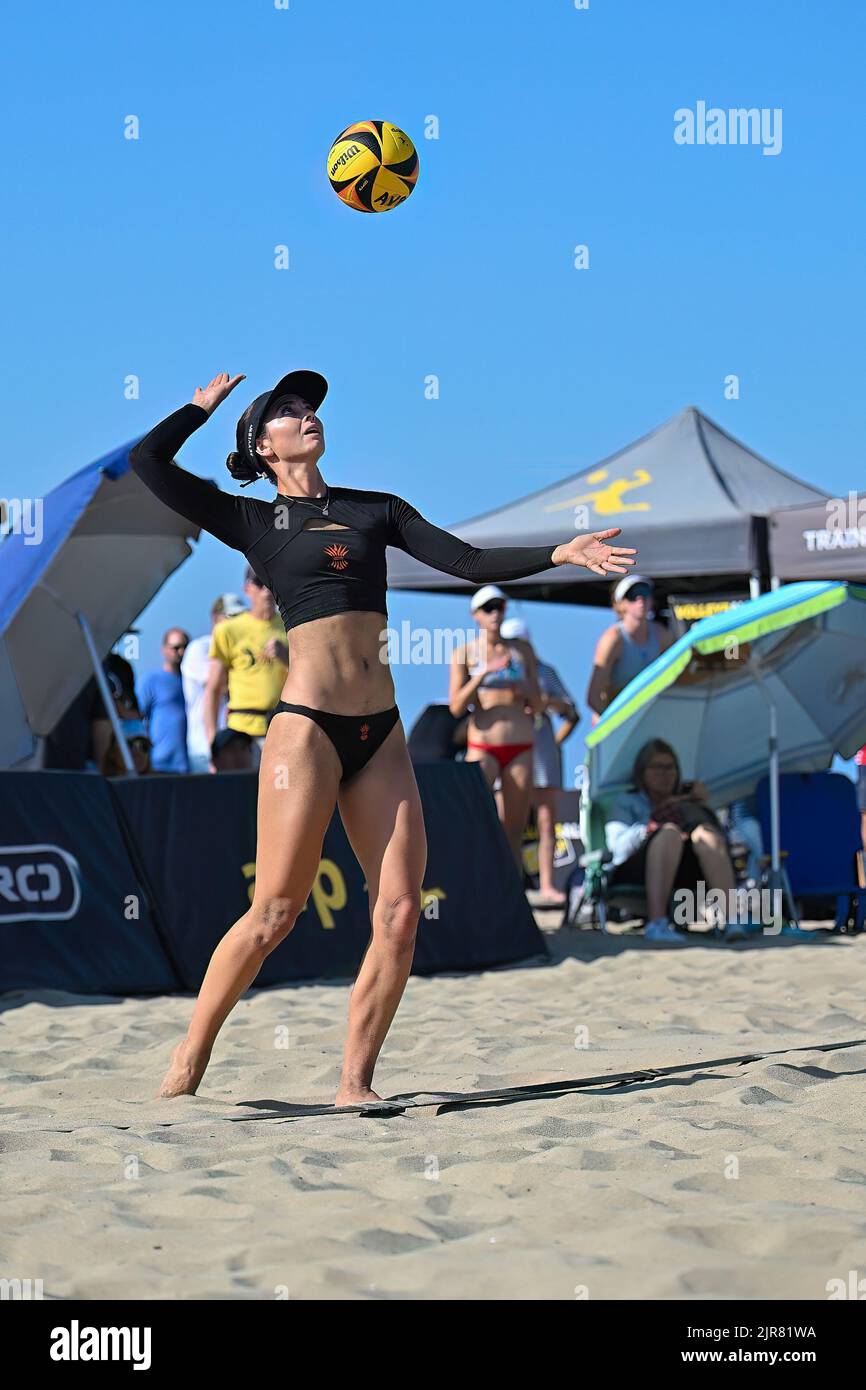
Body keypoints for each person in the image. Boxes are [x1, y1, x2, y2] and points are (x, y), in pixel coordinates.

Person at [130, 369, 636, 1104]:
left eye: (308, 407)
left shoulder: (377, 510)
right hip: (306, 730)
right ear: (262, 446)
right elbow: (150, 464)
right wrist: (200, 410)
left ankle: (354, 1081)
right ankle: (190, 1054)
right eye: (287, 412)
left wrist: (560, 553)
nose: (306, 416)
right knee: (275, 912)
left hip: (382, 732)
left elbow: (465, 562)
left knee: (400, 913)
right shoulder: (252, 521)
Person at [605, 738, 739, 944]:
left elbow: (722, 840)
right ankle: (657, 922)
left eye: (670, 768)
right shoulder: (627, 801)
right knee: (668, 834)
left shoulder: (685, 801)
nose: (665, 774)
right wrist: (648, 829)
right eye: (658, 767)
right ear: (642, 772)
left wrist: (701, 806)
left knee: (706, 834)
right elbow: (618, 847)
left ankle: (731, 919)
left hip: (685, 871)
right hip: (637, 869)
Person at [449, 588, 540, 868]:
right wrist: (483, 674)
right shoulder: (464, 652)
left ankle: (513, 893)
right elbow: (456, 706)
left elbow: (536, 703)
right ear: (475, 615)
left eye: (499, 607)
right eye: (488, 608)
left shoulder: (521, 650)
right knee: (471, 820)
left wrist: (524, 688)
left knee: (514, 828)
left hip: (519, 744)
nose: (495, 614)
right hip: (483, 744)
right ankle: (471, 885)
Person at [499, 617, 579, 905]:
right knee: (506, 822)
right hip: (508, 750)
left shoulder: (545, 671)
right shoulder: (497, 670)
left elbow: (572, 712)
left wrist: (554, 743)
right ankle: (507, 884)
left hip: (541, 752)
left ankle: (546, 884)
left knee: (546, 823)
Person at [202, 567, 288, 766]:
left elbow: (311, 681)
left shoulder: (292, 627)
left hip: (282, 732)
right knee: (241, 795)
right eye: (259, 582)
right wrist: (213, 742)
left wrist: (287, 657)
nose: (266, 589)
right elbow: (213, 689)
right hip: (240, 736)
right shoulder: (228, 630)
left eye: (271, 582)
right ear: (247, 588)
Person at [587, 575, 674, 724]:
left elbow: (676, 677)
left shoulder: (661, 635)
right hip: (619, 723)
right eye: (632, 595)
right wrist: (615, 723)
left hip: (650, 718)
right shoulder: (613, 639)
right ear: (620, 604)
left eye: (645, 592)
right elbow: (593, 697)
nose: (640, 599)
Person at [182, 593, 245, 773]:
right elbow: (220, 682)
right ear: (215, 618)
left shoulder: (237, 650)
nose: (238, 623)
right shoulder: (198, 648)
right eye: (232, 617)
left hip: (235, 745)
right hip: (203, 747)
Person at [139, 629, 191, 772]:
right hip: (161, 764)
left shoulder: (193, 681)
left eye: (185, 647)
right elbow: (138, 719)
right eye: (176, 647)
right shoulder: (151, 680)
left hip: (191, 763)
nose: (181, 652)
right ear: (164, 650)